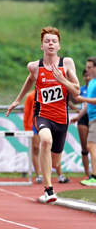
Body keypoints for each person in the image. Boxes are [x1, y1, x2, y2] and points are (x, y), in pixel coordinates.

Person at [6, 26, 81, 203]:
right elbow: (30, 80)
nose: (50, 44)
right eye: (47, 41)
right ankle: (48, 189)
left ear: (59, 46)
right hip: (42, 115)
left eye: (54, 41)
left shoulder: (67, 63)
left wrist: (63, 80)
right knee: (45, 140)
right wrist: (17, 100)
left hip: (62, 117)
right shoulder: (34, 66)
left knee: (55, 163)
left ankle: (50, 175)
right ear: (42, 46)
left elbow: (76, 90)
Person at [72, 60, 95, 180]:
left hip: (94, 117)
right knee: (87, 146)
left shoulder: (94, 83)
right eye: (85, 75)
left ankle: (94, 175)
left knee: (92, 146)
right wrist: (78, 113)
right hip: (86, 117)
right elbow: (83, 102)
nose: (87, 77)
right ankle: (89, 174)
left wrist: (82, 99)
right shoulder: (87, 86)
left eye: (89, 67)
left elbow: (88, 100)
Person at [24, 90, 42, 183]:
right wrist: (27, 128)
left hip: (47, 123)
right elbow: (27, 112)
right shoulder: (30, 95)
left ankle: (60, 175)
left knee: (50, 147)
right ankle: (38, 174)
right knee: (35, 148)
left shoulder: (49, 92)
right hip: (34, 124)